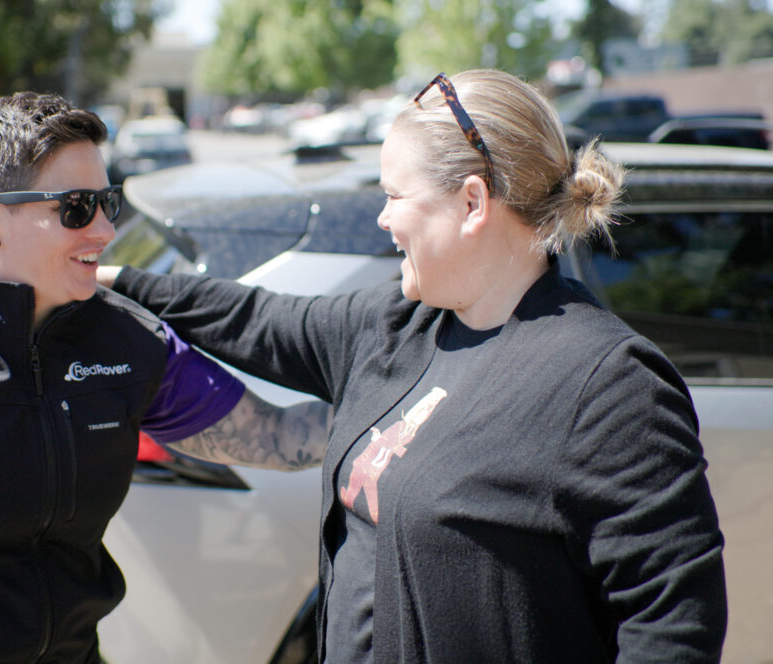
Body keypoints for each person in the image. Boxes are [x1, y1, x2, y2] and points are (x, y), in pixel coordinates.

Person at [97, 69, 728, 663]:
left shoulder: (607, 384)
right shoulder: (397, 326)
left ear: (473, 202)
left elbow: (673, 624)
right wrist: (106, 281)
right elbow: (256, 319)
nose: (384, 218)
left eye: (395, 195)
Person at [0, 92, 330, 663]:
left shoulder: (130, 340)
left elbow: (277, 437)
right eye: (77, 207)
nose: (105, 230)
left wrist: (400, 407)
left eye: (109, 202)